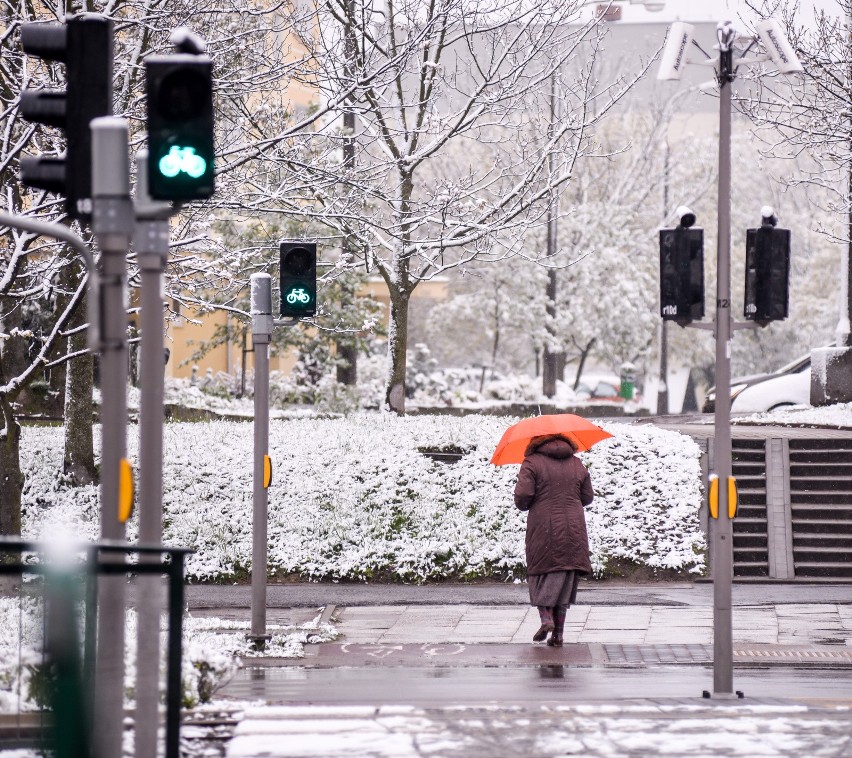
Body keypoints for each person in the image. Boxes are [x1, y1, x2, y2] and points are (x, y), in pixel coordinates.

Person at [514, 433, 594, 647]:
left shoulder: (531, 462)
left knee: (540, 571)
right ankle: (558, 635)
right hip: (573, 528)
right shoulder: (576, 463)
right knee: (565, 575)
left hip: (543, 526)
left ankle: (546, 618)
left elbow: (522, 498)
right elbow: (587, 497)